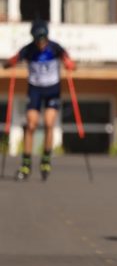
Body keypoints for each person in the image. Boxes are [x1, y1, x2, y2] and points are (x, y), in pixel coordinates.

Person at [3, 20, 76, 181]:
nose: (41, 43)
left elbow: (69, 62)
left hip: (52, 90)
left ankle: (45, 159)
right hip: (35, 90)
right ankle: (26, 163)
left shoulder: (55, 48)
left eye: (43, 39)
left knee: (49, 123)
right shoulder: (28, 50)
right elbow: (9, 63)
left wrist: (70, 64)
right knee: (31, 124)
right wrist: (10, 63)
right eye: (38, 39)